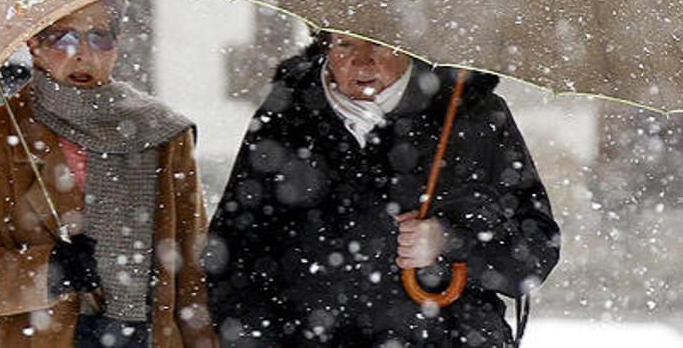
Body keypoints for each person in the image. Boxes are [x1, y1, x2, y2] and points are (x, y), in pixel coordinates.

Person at [205, 33, 561, 347]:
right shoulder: (286, 117)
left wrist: (449, 240)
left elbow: (534, 256)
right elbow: (230, 259)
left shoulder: (472, 115)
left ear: (406, 44)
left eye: (379, 42)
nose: (364, 60)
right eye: (345, 43)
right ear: (324, 45)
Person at [0, 0, 218, 348]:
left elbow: (193, 271)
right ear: (32, 44)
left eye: (100, 36)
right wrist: (50, 270)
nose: (83, 53)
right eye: (62, 38)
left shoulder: (162, 134)